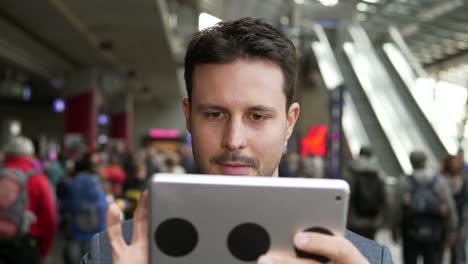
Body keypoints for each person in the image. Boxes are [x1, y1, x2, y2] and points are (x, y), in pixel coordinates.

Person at [82, 17, 393, 264]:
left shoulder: (359, 260)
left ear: (289, 122)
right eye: (215, 114)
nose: (234, 140)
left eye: (257, 116)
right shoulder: (115, 254)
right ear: (189, 117)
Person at [392, 150, 457, 264]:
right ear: (426, 161)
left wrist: (394, 228)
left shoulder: (404, 181)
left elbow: (396, 208)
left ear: (411, 162)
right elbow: (450, 206)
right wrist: (452, 228)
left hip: (410, 231)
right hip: (435, 231)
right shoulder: (439, 181)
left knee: (410, 260)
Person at [0, 136, 57, 264]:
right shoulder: (38, 180)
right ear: (31, 155)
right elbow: (49, 219)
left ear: (7, 154)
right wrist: (44, 250)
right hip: (26, 242)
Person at [346, 146, 386, 240]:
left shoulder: (352, 170)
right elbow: (384, 198)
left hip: (354, 220)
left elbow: (347, 195)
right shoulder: (378, 172)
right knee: (369, 247)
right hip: (372, 219)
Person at [441, 154, 468, 264]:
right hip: (444, 218)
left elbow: (465, 199)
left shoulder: (463, 180)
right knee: (443, 246)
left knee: (459, 246)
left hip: (460, 217)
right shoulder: (441, 181)